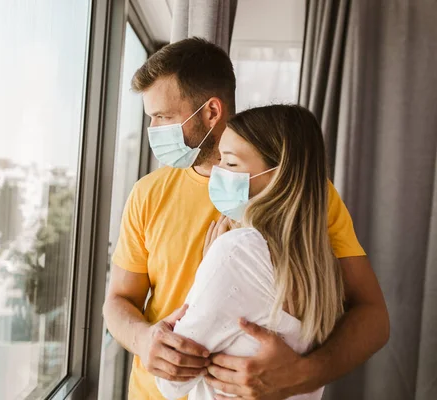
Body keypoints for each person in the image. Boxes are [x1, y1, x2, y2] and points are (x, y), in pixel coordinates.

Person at [102, 38, 389, 400]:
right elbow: (117, 301)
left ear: (210, 112)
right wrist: (144, 340)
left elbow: (373, 316)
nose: (154, 130)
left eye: (164, 117)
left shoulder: (304, 193)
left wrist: (304, 374)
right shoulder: (147, 193)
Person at [155, 104, 345, 400]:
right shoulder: (321, 261)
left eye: (231, 165)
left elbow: (171, 381)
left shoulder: (237, 252)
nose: (217, 173)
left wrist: (211, 268)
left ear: (279, 175)